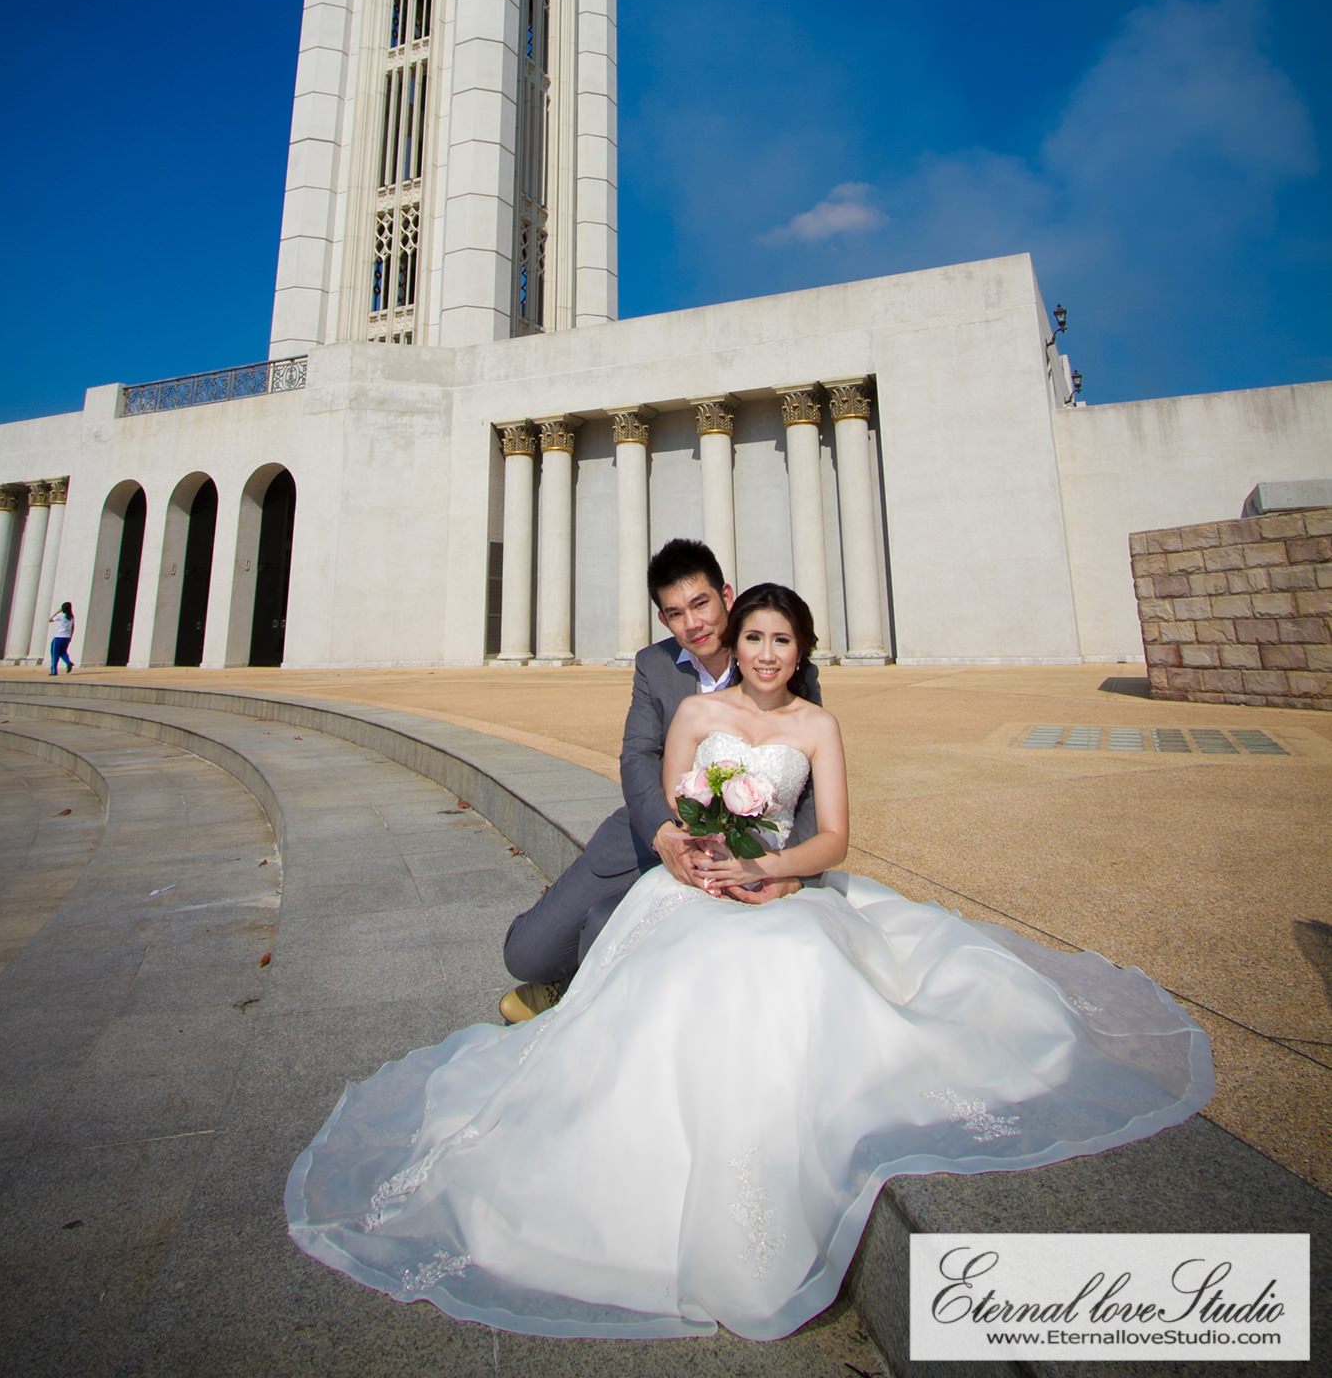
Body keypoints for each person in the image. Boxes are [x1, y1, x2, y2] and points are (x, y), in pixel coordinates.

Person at [286, 582, 1214, 1342]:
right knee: (670, 971)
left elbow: (835, 837)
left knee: (791, 969)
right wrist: (693, 857)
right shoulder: (690, 702)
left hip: (773, 883)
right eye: (755, 638)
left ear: (799, 649)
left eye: (781, 639)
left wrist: (769, 873)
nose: (765, 652)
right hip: (690, 879)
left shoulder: (817, 727)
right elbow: (666, 797)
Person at [499, 538, 822, 1023]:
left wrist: (792, 873)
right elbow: (637, 757)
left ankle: (581, 985)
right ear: (663, 620)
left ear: (726, 596)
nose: (693, 623)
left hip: (743, 853)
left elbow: (809, 783)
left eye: (701, 604)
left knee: (605, 924)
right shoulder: (654, 664)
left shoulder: (772, 660)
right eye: (675, 613)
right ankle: (570, 964)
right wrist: (663, 833)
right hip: (649, 836)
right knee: (525, 956)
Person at [47, 602, 75, 675]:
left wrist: (57, 612)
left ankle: (54, 670)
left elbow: (50, 620)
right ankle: (68, 662)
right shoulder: (71, 617)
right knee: (63, 652)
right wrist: (70, 637)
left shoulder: (60, 615)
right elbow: (73, 627)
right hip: (67, 637)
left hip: (59, 636)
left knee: (54, 652)